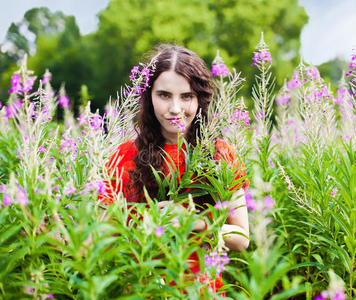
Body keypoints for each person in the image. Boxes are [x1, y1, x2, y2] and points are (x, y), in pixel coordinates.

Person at [98, 44, 250, 294]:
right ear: (149, 97)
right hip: (141, 290)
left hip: (200, 293)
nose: (175, 109)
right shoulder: (123, 156)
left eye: (187, 96)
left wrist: (194, 223)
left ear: (200, 98)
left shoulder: (221, 154)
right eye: (164, 95)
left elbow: (241, 239)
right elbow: (101, 236)